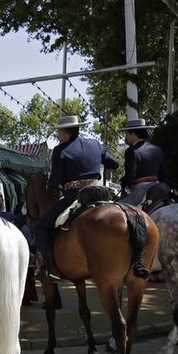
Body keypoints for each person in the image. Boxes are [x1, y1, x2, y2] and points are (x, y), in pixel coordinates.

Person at [34, 113, 119, 281]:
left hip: (76, 196)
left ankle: (50, 268)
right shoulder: (96, 144)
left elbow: (54, 182)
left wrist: (54, 185)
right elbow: (114, 164)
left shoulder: (60, 150)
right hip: (101, 192)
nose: (58, 136)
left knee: (41, 225)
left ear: (65, 133)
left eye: (58, 133)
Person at [119, 118, 166, 206]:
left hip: (140, 192)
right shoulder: (157, 149)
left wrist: (124, 181)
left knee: (115, 208)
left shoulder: (131, 151)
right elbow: (162, 174)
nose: (126, 138)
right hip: (158, 189)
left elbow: (130, 176)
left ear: (133, 134)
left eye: (126, 134)